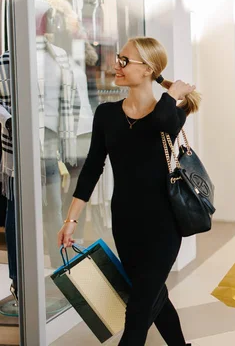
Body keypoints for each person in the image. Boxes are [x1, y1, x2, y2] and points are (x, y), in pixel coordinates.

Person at [57, 37, 199, 346]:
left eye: (124, 61)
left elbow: (162, 121)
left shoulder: (171, 113)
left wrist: (171, 93)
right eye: (118, 59)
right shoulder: (106, 114)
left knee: (136, 313)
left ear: (147, 69)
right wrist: (71, 220)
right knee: (154, 295)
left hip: (164, 224)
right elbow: (92, 168)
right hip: (125, 222)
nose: (115, 66)